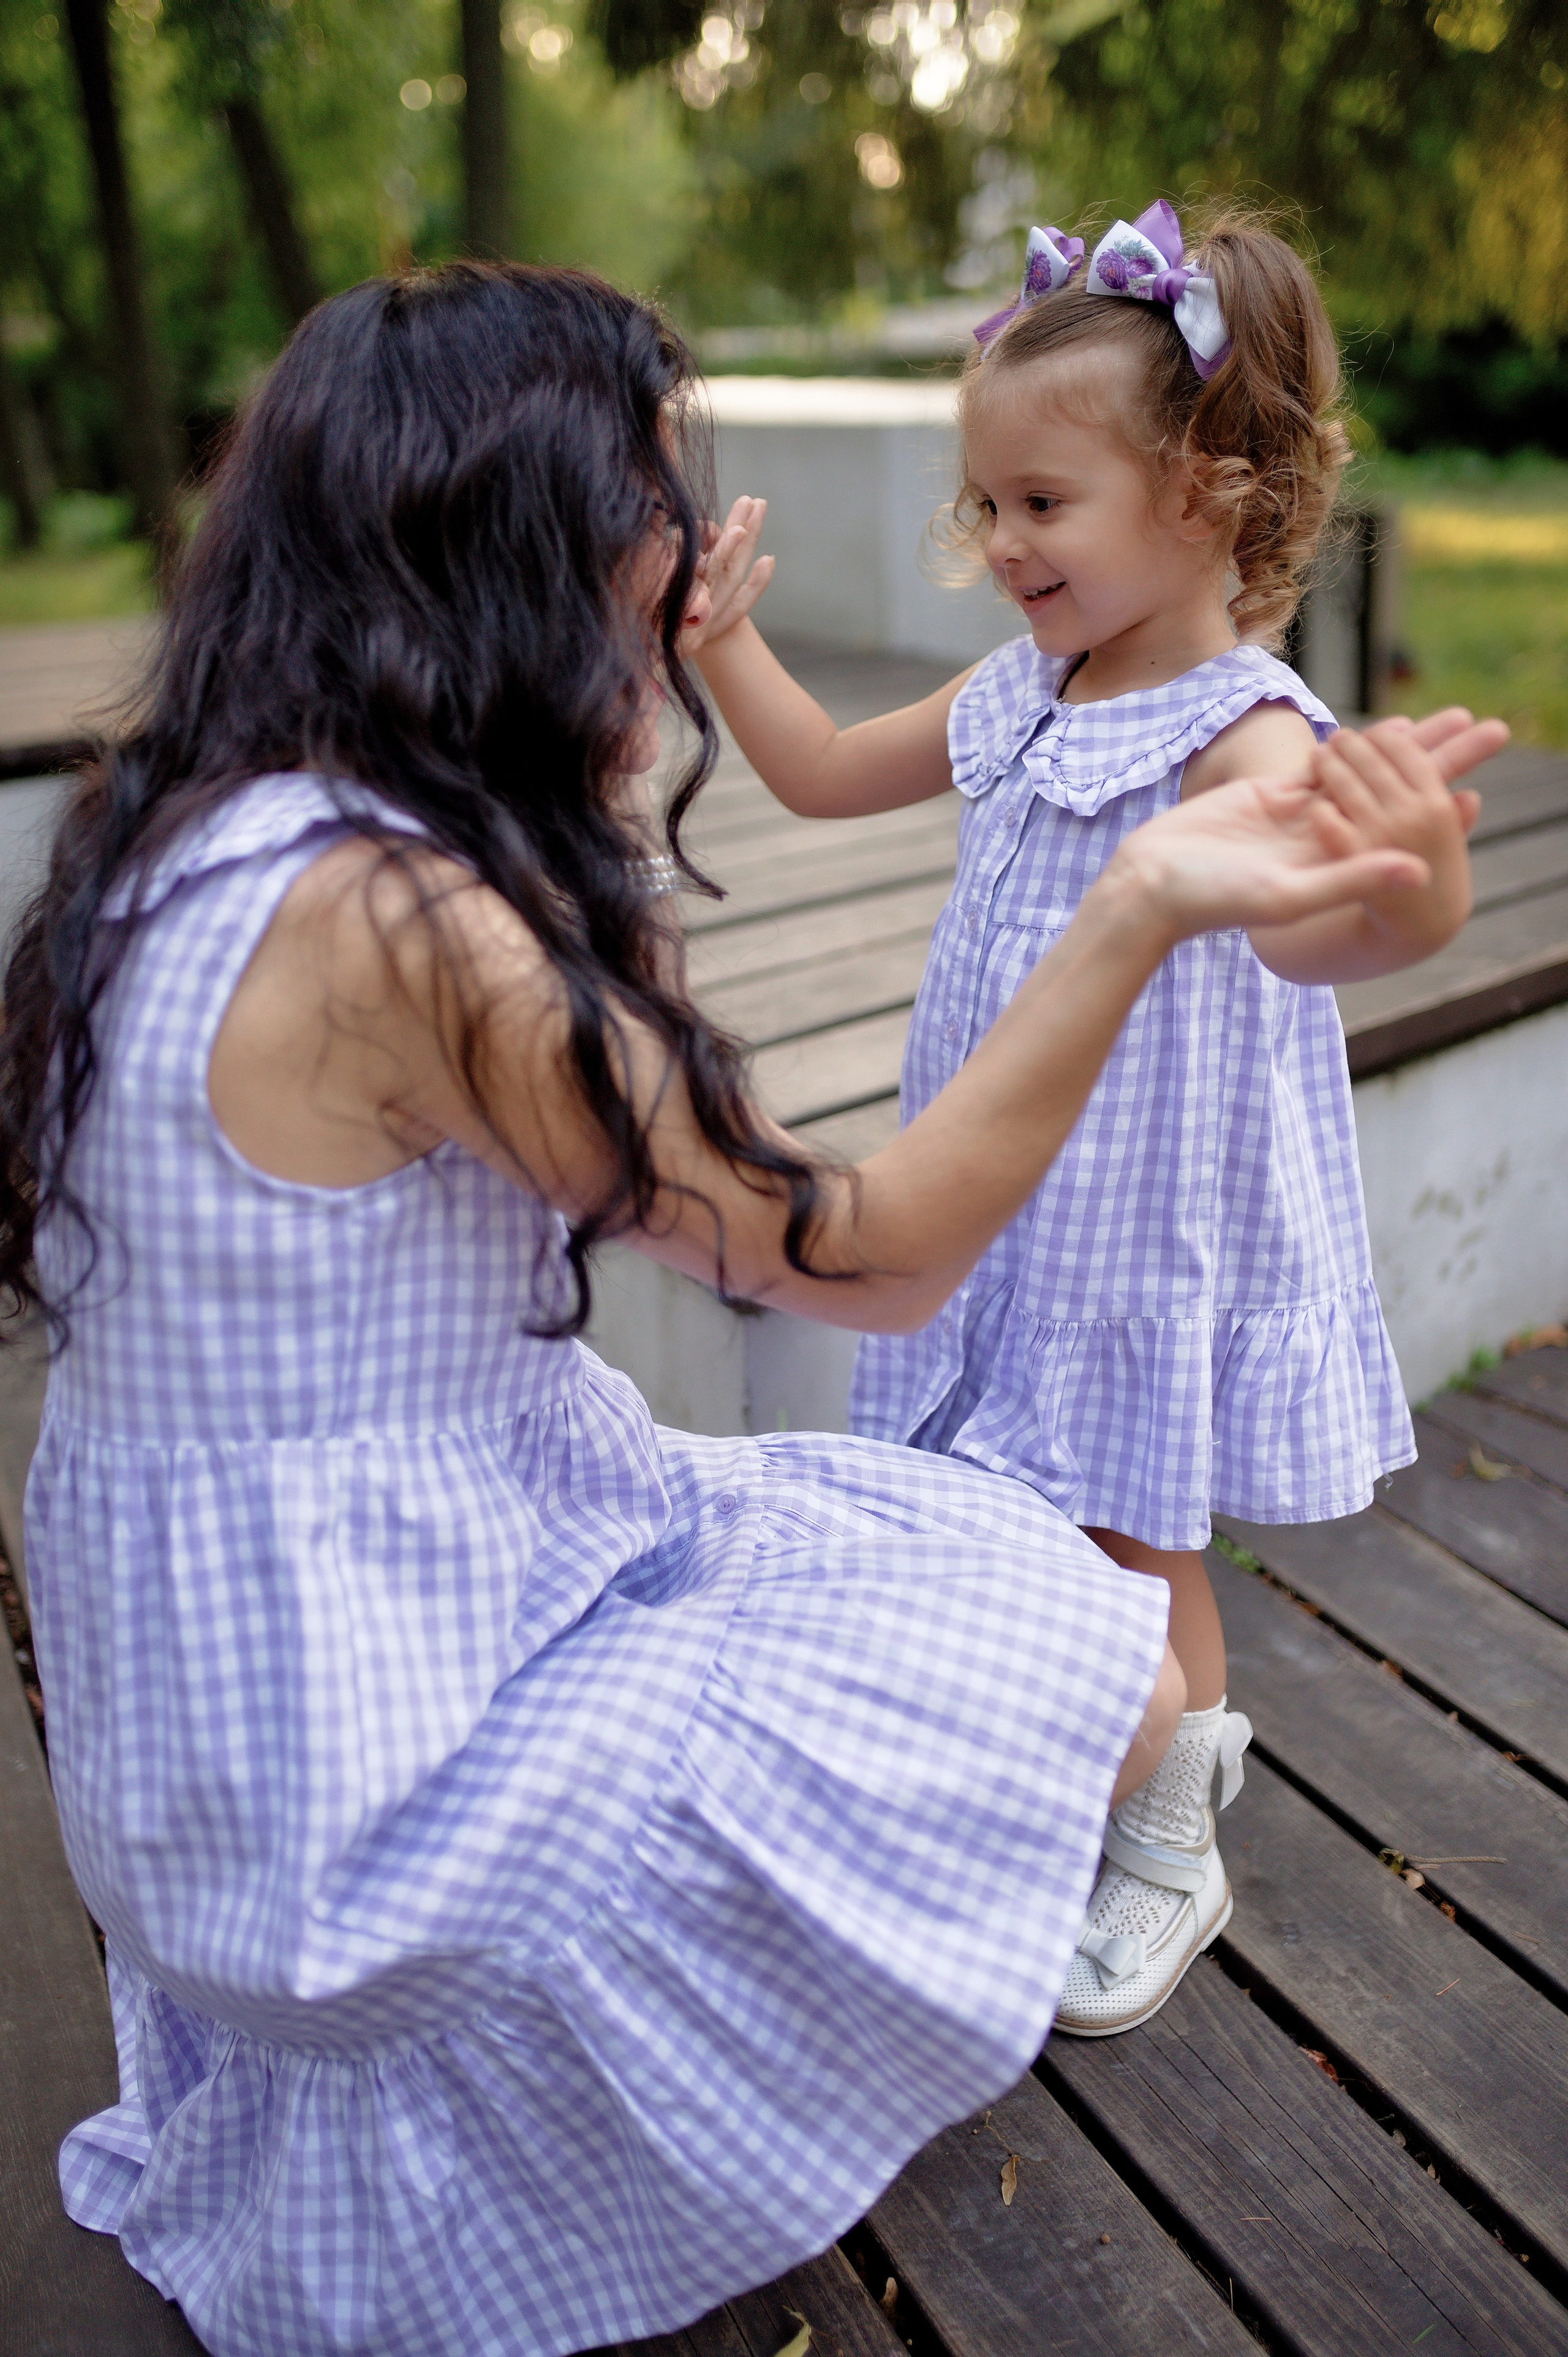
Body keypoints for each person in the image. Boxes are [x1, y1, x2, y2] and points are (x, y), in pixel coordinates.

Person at [0, 263, 1496, 2357]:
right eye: (656, 500)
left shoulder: (194, 825)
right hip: (353, 1779)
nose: (687, 545)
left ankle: (1139, 1828)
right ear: (527, 548)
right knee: (1034, 1608)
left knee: (1098, 1581)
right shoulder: (420, 923)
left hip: (210, 1741)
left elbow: (1368, 920)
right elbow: (860, 1247)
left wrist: (1396, 884)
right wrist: (1141, 904)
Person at [685, 201, 1501, 2038]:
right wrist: (717, 638)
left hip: (1144, 1220)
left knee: (1134, 1545)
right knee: (1013, 1522)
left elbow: (1329, 930)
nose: (999, 542)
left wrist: (1425, 894)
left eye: (1042, 504)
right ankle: (1075, 1775)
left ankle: (1170, 1839)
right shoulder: (1020, 695)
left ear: (1209, 492)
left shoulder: (1247, 736)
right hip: (1006, 1187)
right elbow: (815, 774)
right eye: (988, 504)